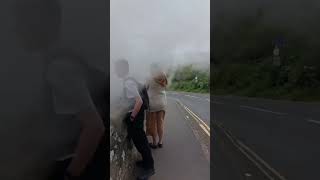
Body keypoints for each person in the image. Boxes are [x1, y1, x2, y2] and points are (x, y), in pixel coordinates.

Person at [13, 0, 108, 179]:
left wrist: (70, 175)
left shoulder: (59, 68)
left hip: (71, 162)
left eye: (21, 21)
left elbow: (94, 127)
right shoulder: (62, 57)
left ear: (37, 24)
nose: (16, 29)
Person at [114, 59, 155, 180]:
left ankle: (150, 168)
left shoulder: (128, 83)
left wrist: (131, 117)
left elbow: (139, 101)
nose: (115, 71)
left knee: (141, 142)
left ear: (122, 69)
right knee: (139, 141)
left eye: (116, 68)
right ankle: (146, 163)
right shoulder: (129, 80)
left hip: (135, 116)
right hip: (137, 115)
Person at [146, 64, 168, 148]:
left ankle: (154, 143)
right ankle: (160, 142)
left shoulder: (149, 77)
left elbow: (145, 88)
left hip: (152, 102)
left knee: (153, 124)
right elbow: (165, 87)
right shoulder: (163, 77)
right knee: (161, 122)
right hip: (162, 102)